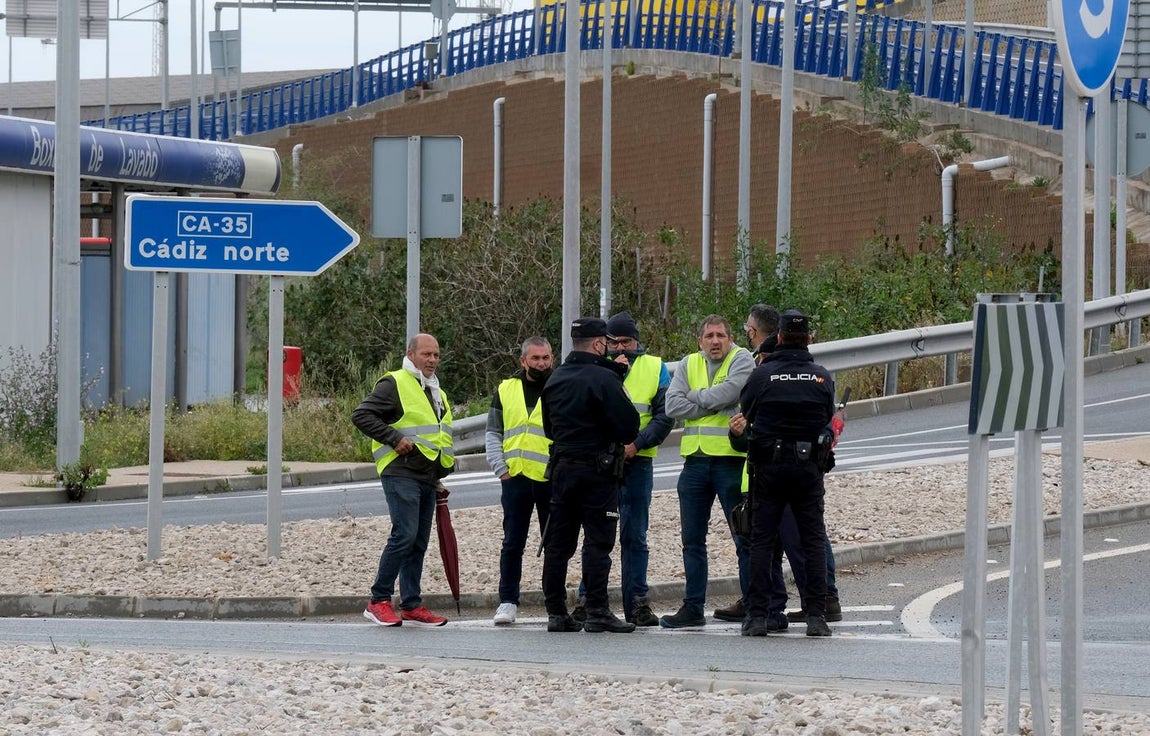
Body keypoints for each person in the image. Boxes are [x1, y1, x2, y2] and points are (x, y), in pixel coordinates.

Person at [572, 311, 673, 626]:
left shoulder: (655, 367)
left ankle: (637, 604)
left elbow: (665, 415)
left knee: (634, 535)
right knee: (596, 535)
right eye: (613, 342)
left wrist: (637, 444)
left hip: (637, 461)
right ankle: (587, 601)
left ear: (637, 342)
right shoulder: (594, 367)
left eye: (626, 342)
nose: (620, 349)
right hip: (601, 463)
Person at [740, 310, 836, 637]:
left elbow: (747, 412)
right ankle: (816, 616)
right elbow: (826, 415)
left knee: (762, 542)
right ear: (808, 339)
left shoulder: (762, 376)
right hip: (808, 470)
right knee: (811, 541)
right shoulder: (822, 377)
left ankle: (756, 617)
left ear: (778, 337)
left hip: (768, 468)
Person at [540, 317, 640, 634]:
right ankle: (597, 610)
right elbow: (628, 427)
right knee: (598, 543)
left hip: (562, 469)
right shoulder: (604, 379)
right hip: (597, 470)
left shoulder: (555, 379)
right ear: (598, 344)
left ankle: (556, 612)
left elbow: (549, 429)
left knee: (558, 544)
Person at [352, 333, 455, 628]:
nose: (432, 360)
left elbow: (436, 436)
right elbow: (362, 414)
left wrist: (438, 476)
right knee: (405, 535)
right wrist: (393, 438)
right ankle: (378, 600)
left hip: (425, 475)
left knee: (418, 541)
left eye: (436, 355)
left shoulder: (435, 391)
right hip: (400, 471)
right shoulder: (394, 382)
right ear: (411, 354)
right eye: (426, 354)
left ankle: (411, 604)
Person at [660, 315, 756, 629]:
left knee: (743, 538)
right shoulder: (689, 363)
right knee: (692, 541)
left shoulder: (741, 358)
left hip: (729, 462)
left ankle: (752, 604)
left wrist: (696, 398)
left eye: (720, 336)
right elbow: (672, 406)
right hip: (695, 464)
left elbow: (731, 392)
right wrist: (711, 403)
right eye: (709, 336)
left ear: (730, 339)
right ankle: (692, 608)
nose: (715, 341)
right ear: (700, 341)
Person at [485, 336, 554, 625]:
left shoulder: (560, 386)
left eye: (546, 358)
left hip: (550, 478)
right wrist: (500, 468)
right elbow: (493, 432)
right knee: (513, 542)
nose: (541, 363)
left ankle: (554, 600)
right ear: (523, 361)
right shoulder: (506, 389)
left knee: (554, 543)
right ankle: (508, 601)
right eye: (535, 358)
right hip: (515, 477)